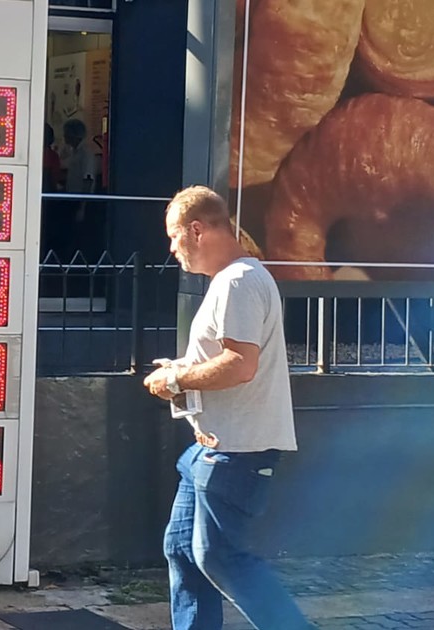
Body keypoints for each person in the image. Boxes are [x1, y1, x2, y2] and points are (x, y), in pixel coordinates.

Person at [143, 186, 308, 630]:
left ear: (197, 230)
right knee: (183, 549)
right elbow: (230, 360)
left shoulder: (238, 281)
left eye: (174, 236)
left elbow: (240, 364)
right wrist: (182, 369)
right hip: (213, 448)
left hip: (238, 449)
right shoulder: (236, 279)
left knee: (218, 555)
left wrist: (175, 380)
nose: (171, 248)